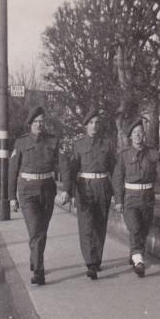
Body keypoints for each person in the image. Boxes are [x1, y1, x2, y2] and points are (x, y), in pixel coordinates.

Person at [9, 106, 70, 285]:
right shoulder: (20, 143)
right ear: (30, 124)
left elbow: (64, 165)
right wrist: (11, 197)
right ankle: (39, 270)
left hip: (47, 190)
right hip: (27, 191)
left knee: (41, 230)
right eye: (35, 122)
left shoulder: (53, 141)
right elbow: (12, 171)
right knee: (36, 229)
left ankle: (34, 258)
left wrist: (66, 188)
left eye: (41, 122)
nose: (39, 125)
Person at [112, 118, 160, 277]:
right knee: (135, 228)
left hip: (147, 198)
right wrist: (118, 201)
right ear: (131, 137)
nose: (138, 136)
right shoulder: (124, 155)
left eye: (140, 132)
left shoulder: (152, 153)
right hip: (130, 198)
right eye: (135, 133)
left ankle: (135, 254)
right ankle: (139, 261)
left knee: (144, 230)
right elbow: (117, 178)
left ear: (143, 135)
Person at [65, 109, 116, 280]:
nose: (94, 126)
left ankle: (97, 259)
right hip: (84, 188)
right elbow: (72, 170)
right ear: (86, 126)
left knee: (100, 225)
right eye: (91, 123)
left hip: (102, 186)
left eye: (97, 123)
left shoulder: (107, 144)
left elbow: (114, 169)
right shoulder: (78, 145)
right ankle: (90, 263)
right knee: (86, 226)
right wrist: (71, 193)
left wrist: (116, 192)